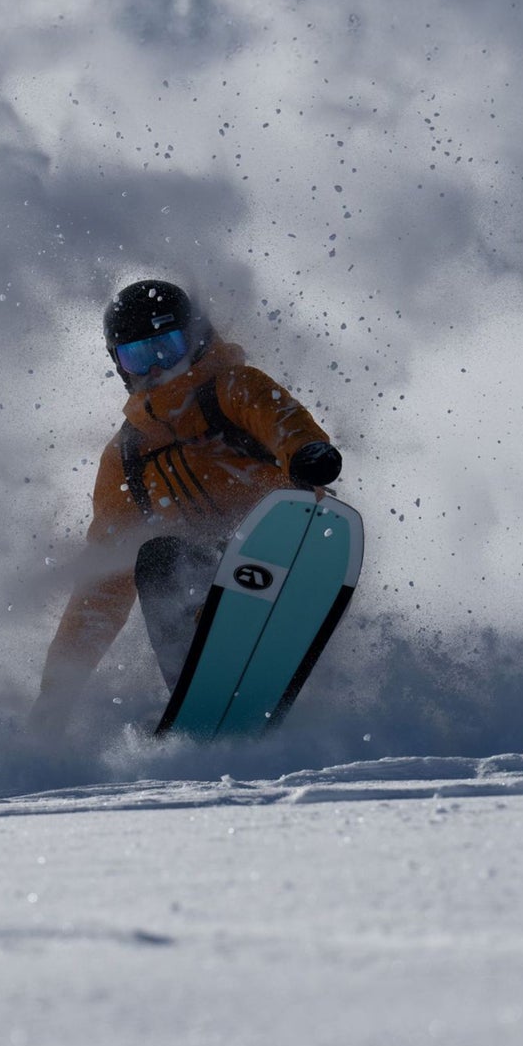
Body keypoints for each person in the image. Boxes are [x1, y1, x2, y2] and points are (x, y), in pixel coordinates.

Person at [30, 279, 342, 735]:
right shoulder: (127, 457)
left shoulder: (233, 388)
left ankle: (265, 640)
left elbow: (279, 420)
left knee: (194, 554)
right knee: (160, 559)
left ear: (194, 340)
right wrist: (59, 691)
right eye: (138, 356)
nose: (154, 368)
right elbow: (102, 584)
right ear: (119, 365)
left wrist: (308, 454)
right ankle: (202, 694)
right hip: (212, 592)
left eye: (166, 347)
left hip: (286, 548)